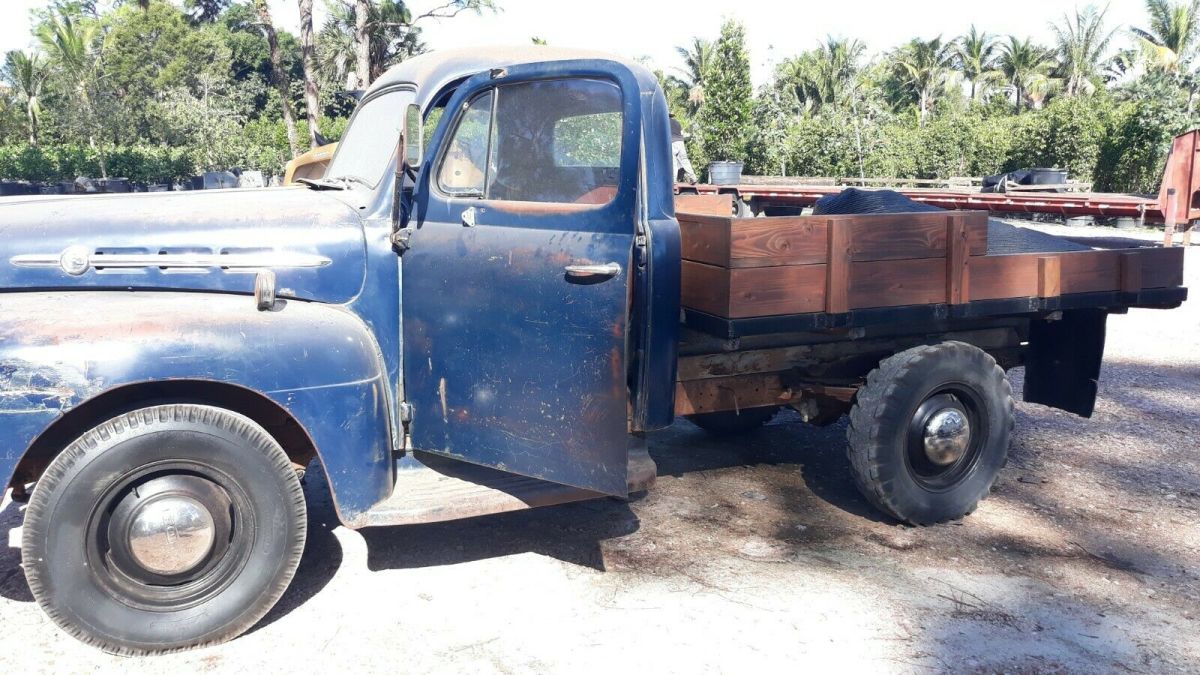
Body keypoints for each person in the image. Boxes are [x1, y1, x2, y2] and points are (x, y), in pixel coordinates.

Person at [670, 114, 697, 184]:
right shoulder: (677, 122)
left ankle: (674, 180)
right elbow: (682, 133)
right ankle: (693, 177)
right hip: (680, 142)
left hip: (672, 143)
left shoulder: (665, 123)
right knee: (685, 160)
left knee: (673, 162)